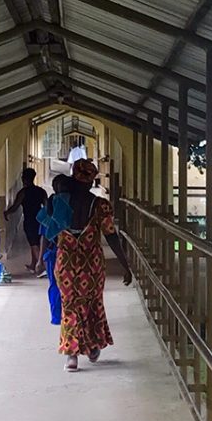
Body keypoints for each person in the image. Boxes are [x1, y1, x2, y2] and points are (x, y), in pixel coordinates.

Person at [56, 158, 133, 372]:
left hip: (66, 264)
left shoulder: (58, 202)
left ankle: (72, 355)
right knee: (92, 304)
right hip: (92, 265)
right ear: (91, 181)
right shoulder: (100, 205)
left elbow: (50, 232)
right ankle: (92, 347)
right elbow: (111, 236)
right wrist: (125, 264)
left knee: (69, 306)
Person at [36, 174, 74, 326]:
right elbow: (45, 235)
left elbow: (45, 234)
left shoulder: (53, 205)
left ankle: (59, 316)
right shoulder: (63, 205)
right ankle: (63, 316)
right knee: (66, 284)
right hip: (62, 251)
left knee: (56, 285)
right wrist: (39, 259)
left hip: (56, 251)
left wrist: (40, 259)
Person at [3, 168, 49, 275]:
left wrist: (7, 212)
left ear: (24, 179)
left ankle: (41, 266)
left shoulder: (23, 193)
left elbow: (15, 207)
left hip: (29, 220)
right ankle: (33, 264)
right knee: (37, 241)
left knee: (33, 244)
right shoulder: (41, 191)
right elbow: (47, 206)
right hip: (40, 219)